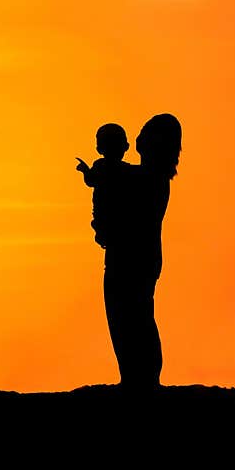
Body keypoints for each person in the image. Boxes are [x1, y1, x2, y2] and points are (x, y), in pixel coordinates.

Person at [101, 114, 181, 389]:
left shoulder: (152, 177)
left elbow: (117, 175)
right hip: (131, 256)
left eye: (146, 135)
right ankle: (134, 378)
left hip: (135, 259)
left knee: (134, 317)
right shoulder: (143, 176)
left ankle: (144, 380)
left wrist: (102, 167)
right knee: (125, 316)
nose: (138, 139)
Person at [75, 123, 131, 248]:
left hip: (110, 214)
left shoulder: (102, 166)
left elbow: (90, 181)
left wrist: (85, 170)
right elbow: (91, 181)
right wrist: (85, 171)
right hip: (109, 214)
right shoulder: (125, 169)